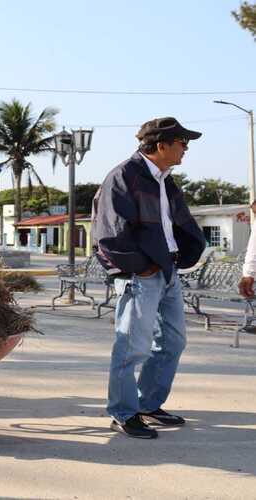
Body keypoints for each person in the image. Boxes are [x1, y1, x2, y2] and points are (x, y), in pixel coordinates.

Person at [92, 117, 206, 439]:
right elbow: (109, 233)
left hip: (167, 271)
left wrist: (181, 257)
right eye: (182, 143)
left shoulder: (165, 180)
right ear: (161, 145)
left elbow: (177, 225)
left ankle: (147, 404)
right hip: (142, 274)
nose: (186, 149)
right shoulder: (124, 176)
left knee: (173, 342)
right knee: (131, 347)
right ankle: (123, 412)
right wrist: (141, 267)